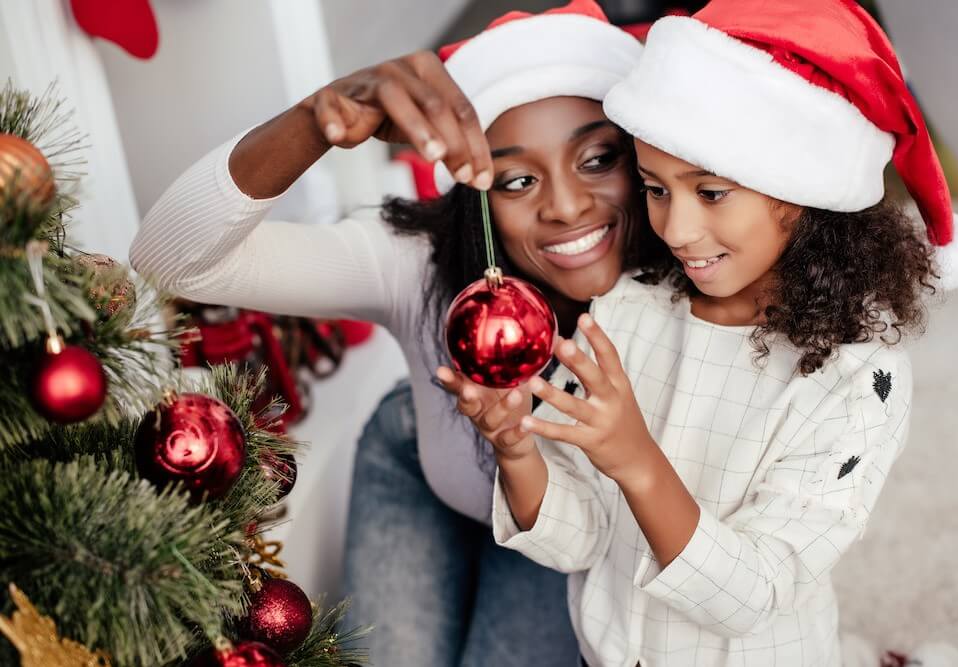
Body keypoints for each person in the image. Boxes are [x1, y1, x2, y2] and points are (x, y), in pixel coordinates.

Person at [439, 1, 958, 665]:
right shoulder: (626, 310)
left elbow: (755, 593)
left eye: (710, 192)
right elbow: (581, 540)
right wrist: (517, 452)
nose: (675, 230)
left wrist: (637, 459)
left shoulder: (856, 380)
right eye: (655, 189)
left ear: (800, 188)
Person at [128, 2, 663, 664]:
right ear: (476, 194)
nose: (566, 204)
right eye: (518, 180)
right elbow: (169, 259)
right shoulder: (419, 261)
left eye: (598, 159)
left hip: (572, 538)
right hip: (426, 466)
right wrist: (314, 120)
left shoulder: (694, 286)